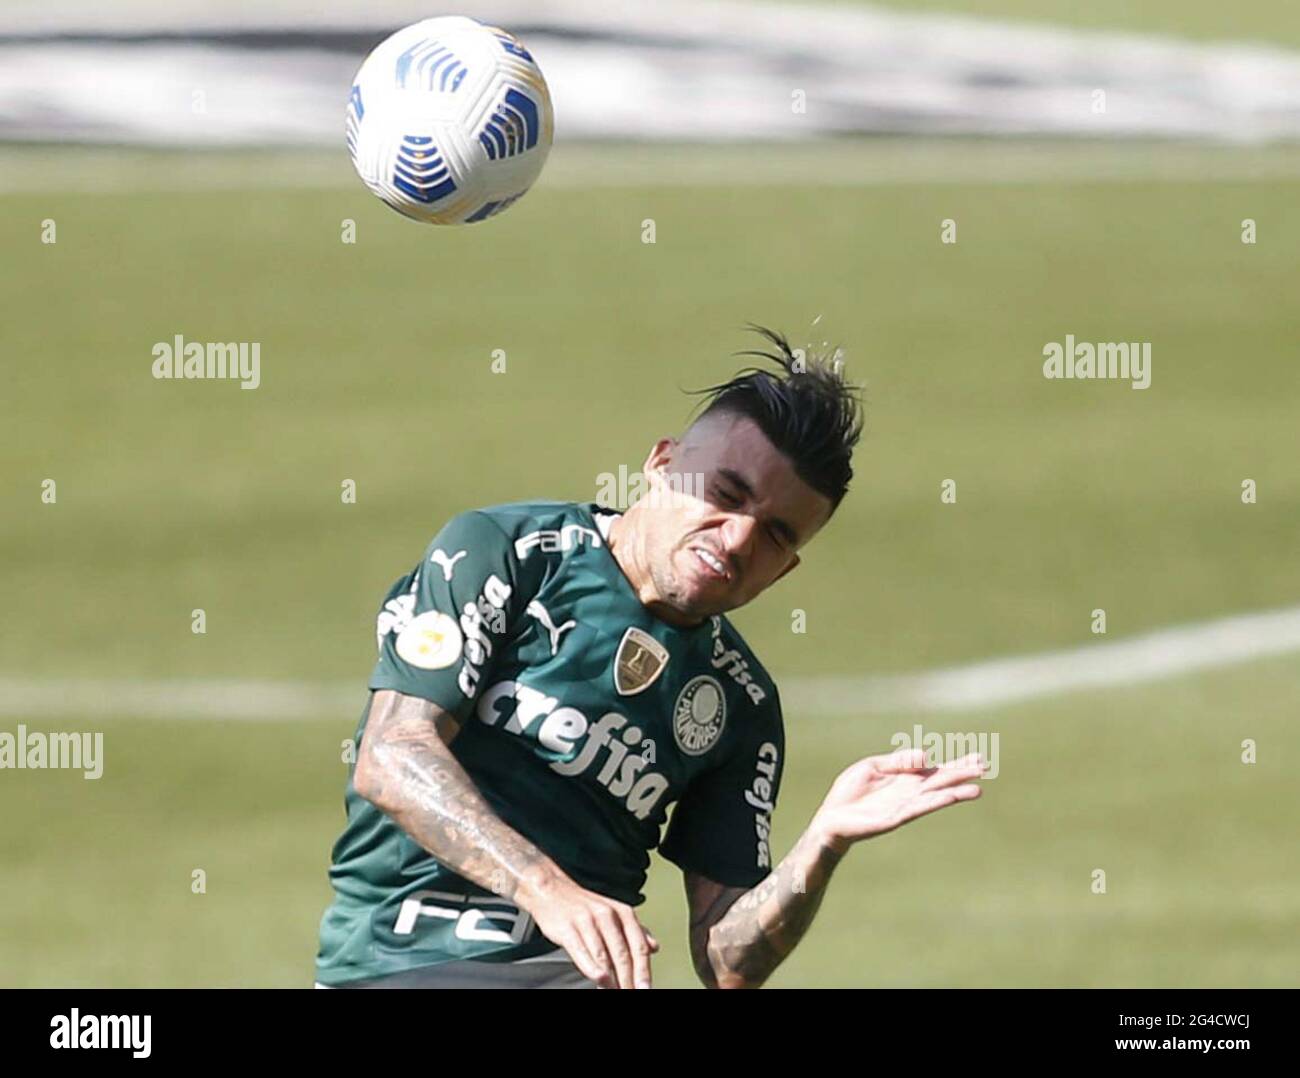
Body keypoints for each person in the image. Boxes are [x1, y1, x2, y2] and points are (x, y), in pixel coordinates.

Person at [315, 326, 986, 989]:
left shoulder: (740, 702)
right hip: (404, 961)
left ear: (785, 572)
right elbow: (394, 754)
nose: (738, 539)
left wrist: (823, 843)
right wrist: (546, 890)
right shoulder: (507, 553)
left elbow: (726, 962)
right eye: (727, 495)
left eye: (776, 535)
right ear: (661, 463)